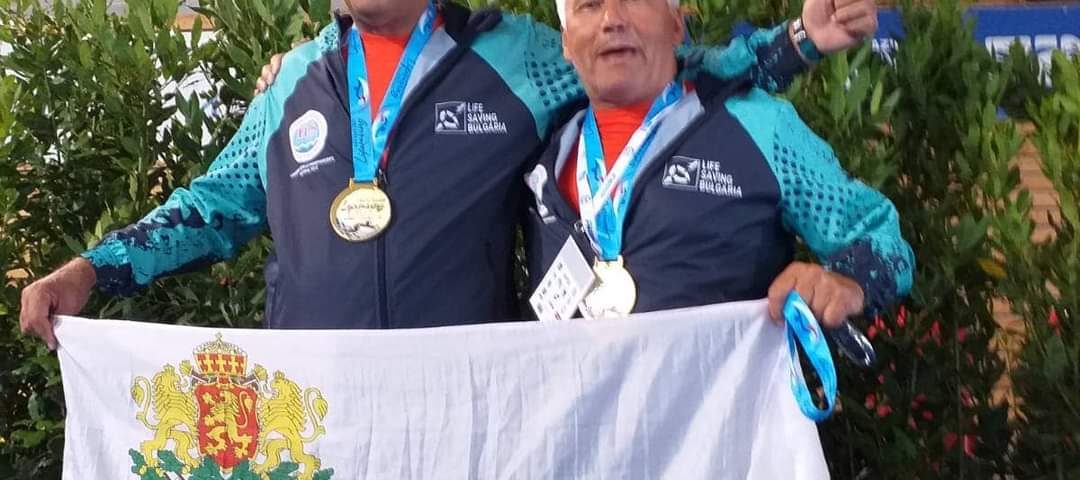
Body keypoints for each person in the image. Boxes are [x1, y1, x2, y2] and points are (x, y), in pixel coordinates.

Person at [20, 0, 879, 349]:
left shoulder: (520, 56)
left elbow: (661, 72)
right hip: (320, 412)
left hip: (470, 415)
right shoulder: (294, 82)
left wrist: (797, 44)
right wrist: (95, 268)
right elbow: (214, 206)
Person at [523, 0, 912, 325]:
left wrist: (846, 283)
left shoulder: (761, 126)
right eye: (589, 5)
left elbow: (882, 238)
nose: (612, 19)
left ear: (676, 25)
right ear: (566, 43)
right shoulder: (545, 152)